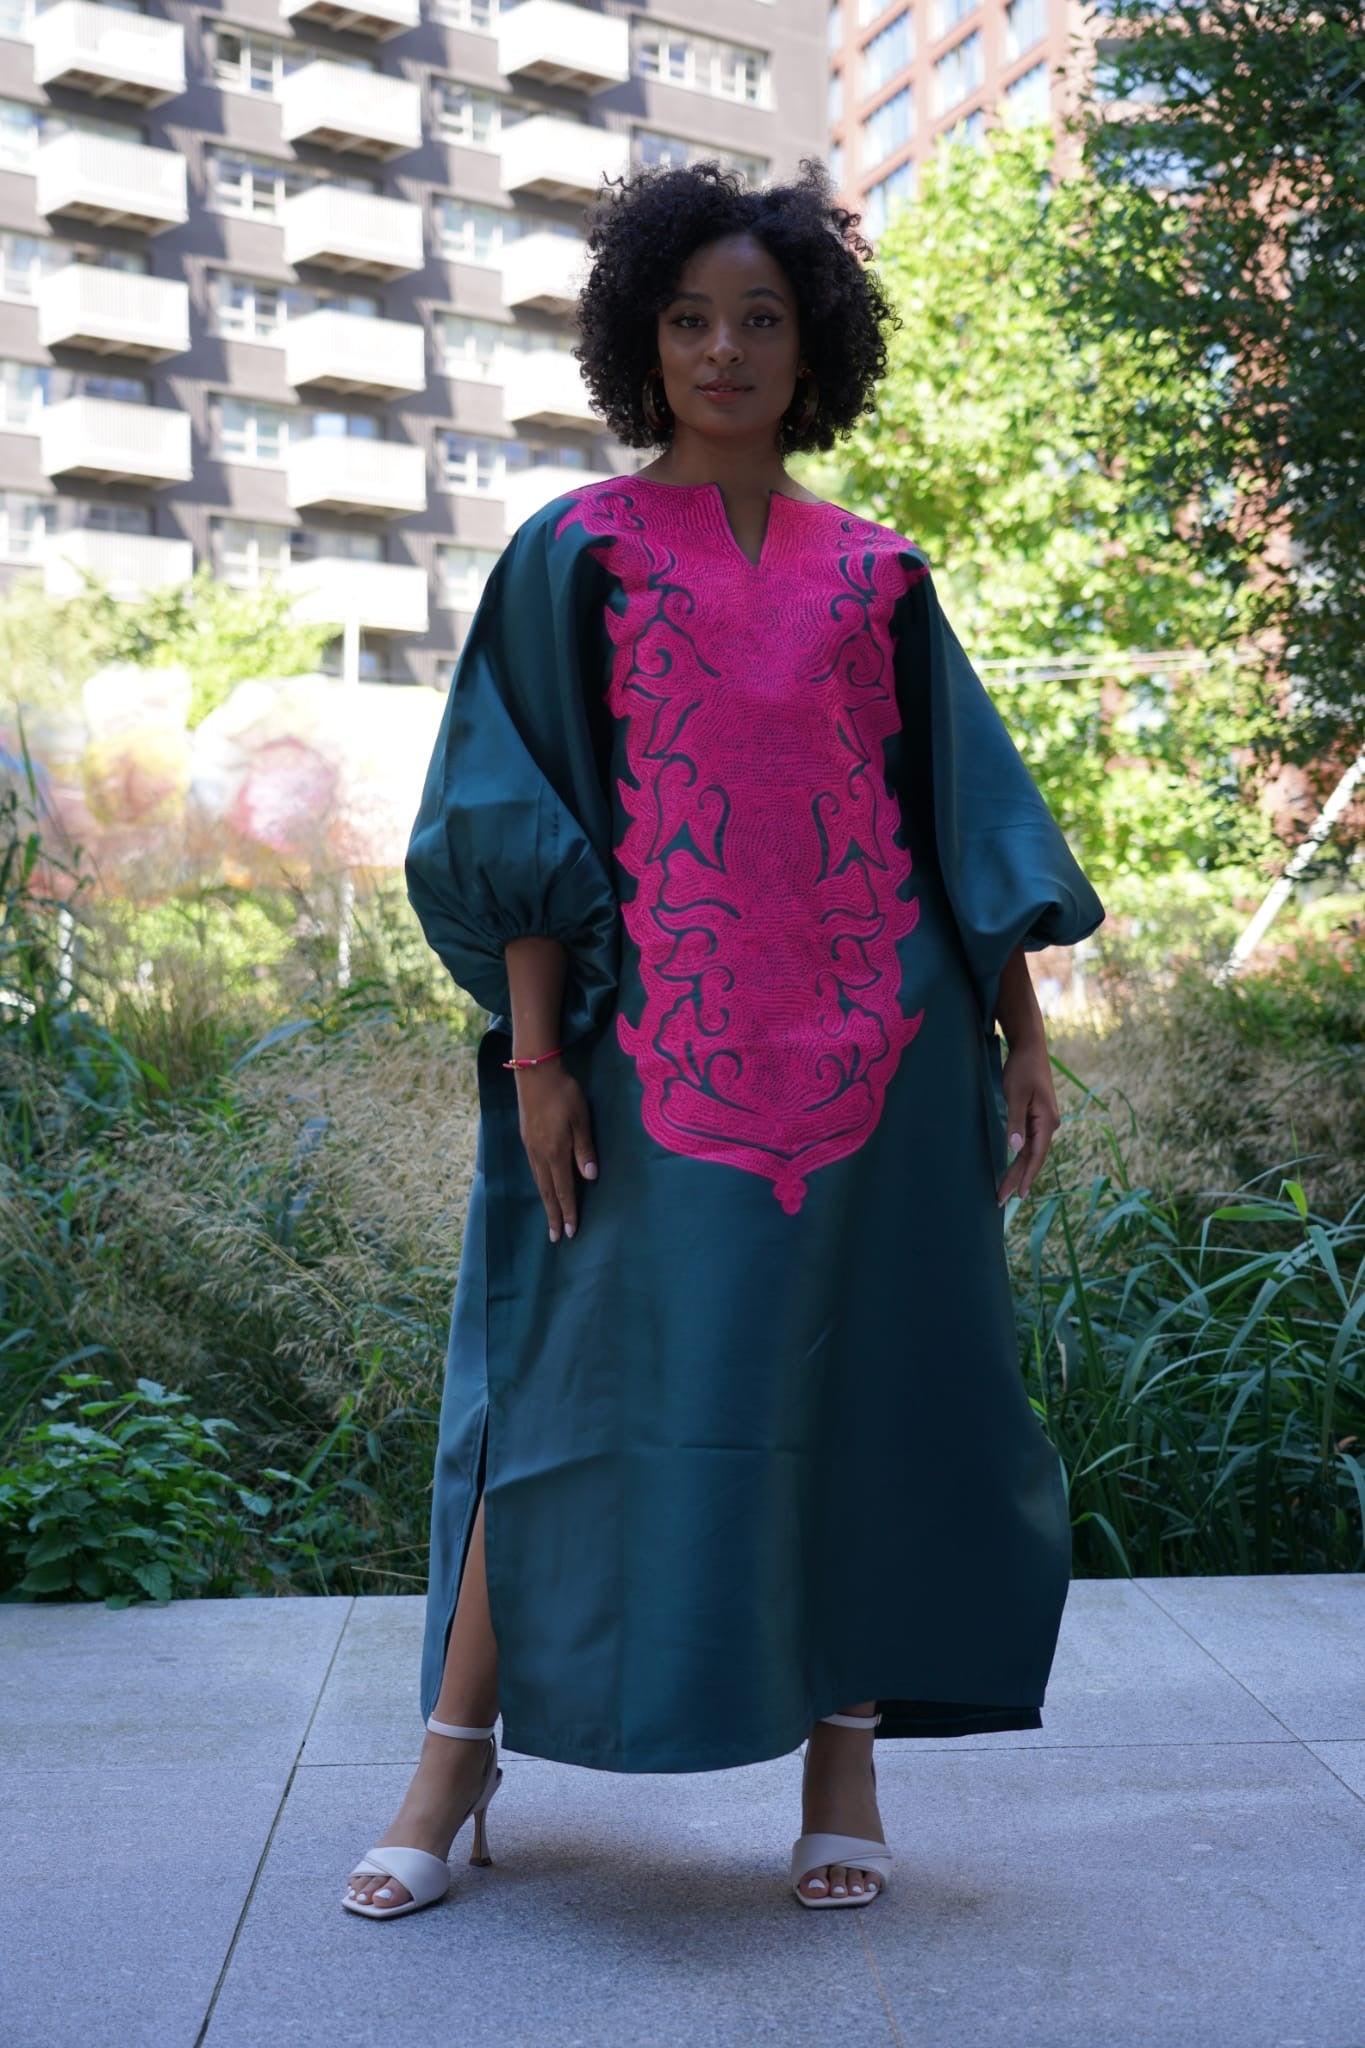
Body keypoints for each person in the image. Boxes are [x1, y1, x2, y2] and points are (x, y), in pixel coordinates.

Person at [343, 158, 1104, 1922]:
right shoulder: (575, 552)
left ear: (810, 342)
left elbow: (961, 817)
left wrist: (1019, 1030)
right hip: (639, 1063)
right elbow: (511, 813)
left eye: (760, 318)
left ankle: (841, 1769)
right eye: (689, 318)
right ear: (641, 339)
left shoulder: (878, 572)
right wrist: (536, 1063)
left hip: (883, 1060)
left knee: (868, 1387)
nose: (724, 348)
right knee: (561, 1383)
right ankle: (452, 1768)